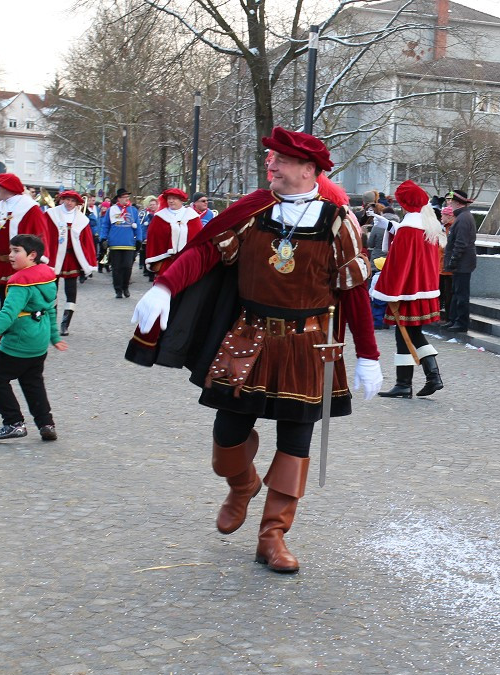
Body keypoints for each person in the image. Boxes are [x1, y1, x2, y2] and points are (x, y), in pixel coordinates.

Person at [127, 126, 382, 574]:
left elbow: (355, 292)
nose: (272, 165)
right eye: (271, 159)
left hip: (310, 345)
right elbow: (206, 252)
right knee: (228, 434)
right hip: (249, 338)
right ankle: (241, 483)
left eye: (280, 160)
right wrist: (166, 287)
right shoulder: (251, 212)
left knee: (295, 443)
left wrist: (369, 356)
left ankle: (273, 535)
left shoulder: (339, 222)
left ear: (309, 170)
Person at [0, 234, 67, 440]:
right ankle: (46, 424)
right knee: (33, 382)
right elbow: (51, 310)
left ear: (32, 255)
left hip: (20, 341)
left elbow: (7, 314)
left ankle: (13, 422)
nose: (11, 255)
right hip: (39, 341)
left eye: (16, 251)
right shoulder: (47, 276)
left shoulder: (21, 282)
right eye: (11, 250)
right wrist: (53, 336)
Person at [371, 180, 444, 399]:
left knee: (410, 333)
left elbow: (399, 262)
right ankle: (406, 383)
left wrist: (386, 289)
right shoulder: (427, 225)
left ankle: (432, 376)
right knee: (407, 334)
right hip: (422, 289)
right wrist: (391, 227)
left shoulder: (409, 228)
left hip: (406, 291)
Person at [0, 173, 53, 307]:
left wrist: (39, 258)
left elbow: (41, 233)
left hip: (23, 264)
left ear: (7, 188)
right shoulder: (0, 206)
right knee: (4, 304)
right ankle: (6, 327)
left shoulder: (30, 207)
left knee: (19, 305)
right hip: (2, 262)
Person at [44, 190, 98, 336]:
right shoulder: (51, 214)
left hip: (71, 259)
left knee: (71, 291)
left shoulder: (81, 219)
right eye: (67, 199)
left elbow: (87, 241)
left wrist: (88, 260)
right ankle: (51, 323)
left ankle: (65, 324)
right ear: (62, 200)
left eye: (72, 201)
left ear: (76, 203)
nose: (69, 203)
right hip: (54, 259)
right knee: (51, 292)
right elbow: (44, 235)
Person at [144, 188, 203, 277]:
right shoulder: (160, 217)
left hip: (187, 260)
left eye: (174, 198)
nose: (171, 201)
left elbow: (199, 238)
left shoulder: (192, 216)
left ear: (181, 200)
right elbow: (153, 237)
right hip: (166, 261)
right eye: (169, 198)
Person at [442, 188, 476, 333]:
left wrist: (453, 261)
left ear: (457, 203)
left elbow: (460, 243)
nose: (450, 204)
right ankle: (455, 320)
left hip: (463, 263)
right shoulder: (463, 217)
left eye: (452, 202)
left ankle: (461, 322)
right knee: (457, 292)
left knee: (461, 294)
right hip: (462, 263)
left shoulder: (463, 218)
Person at [104, 188, 139, 298]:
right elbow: (105, 225)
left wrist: (139, 239)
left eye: (127, 197)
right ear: (118, 199)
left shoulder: (133, 210)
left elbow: (138, 226)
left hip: (129, 243)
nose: (126, 199)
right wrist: (103, 238)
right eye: (124, 197)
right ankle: (118, 289)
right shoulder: (112, 210)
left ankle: (125, 287)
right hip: (115, 243)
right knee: (116, 268)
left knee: (127, 267)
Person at [136, 196, 158, 281]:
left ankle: (153, 272)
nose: (152, 206)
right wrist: (143, 237)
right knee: (146, 254)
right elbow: (141, 226)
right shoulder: (144, 213)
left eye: (154, 204)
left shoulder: (159, 214)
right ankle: (147, 271)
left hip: (156, 238)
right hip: (147, 238)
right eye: (151, 204)